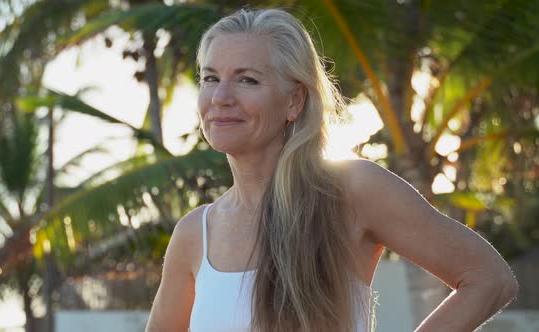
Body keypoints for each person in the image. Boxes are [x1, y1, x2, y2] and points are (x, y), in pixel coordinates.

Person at [145, 8, 518, 332]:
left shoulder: (351, 190)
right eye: (210, 78)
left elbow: (488, 279)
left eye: (247, 80)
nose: (221, 97)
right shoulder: (196, 233)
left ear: (294, 100)